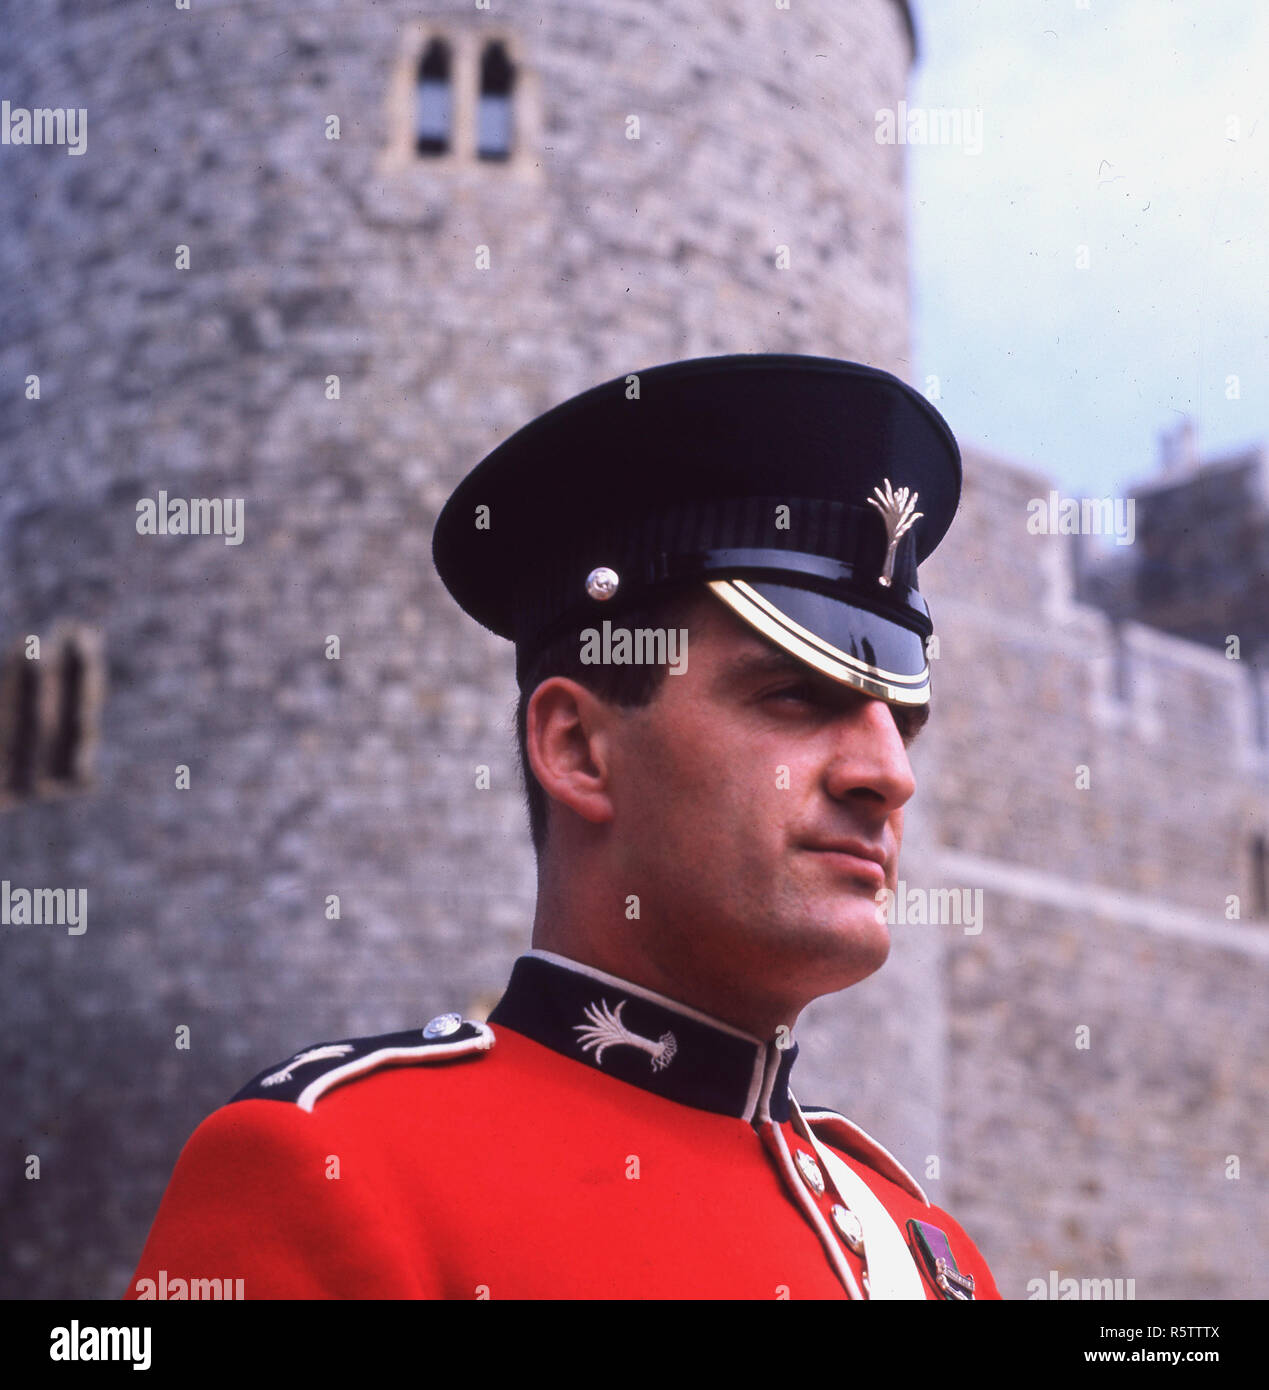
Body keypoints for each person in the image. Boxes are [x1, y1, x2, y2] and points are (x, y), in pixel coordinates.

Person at [126, 353, 1000, 1300]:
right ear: (577, 747)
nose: (888, 777)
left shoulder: (919, 1243)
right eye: (793, 696)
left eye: (899, 724)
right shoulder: (333, 1169)